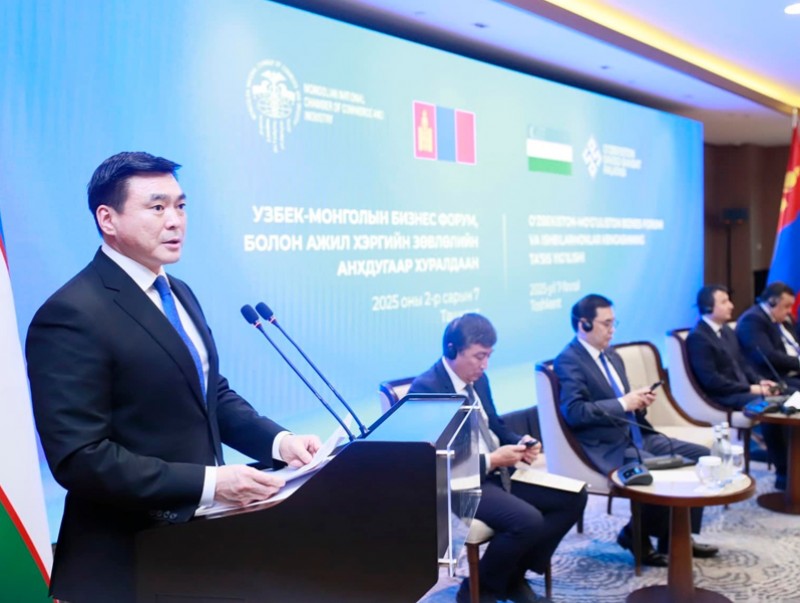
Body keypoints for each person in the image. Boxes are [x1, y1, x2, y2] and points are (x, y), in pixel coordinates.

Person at [26, 152, 322, 603]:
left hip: (199, 549)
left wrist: (280, 443)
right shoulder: (71, 314)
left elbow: (209, 395)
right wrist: (211, 483)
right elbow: (81, 458)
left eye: (181, 206)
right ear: (108, 219)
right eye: (157, 207)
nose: (175, 221)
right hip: (126, 563)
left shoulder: (178, 291)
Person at [409, 313, 586, 603]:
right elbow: (434, 463)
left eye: (489, 356)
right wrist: (491, 461)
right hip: (456, 485)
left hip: (494, 472)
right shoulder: (427, 389)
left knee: (573, 498)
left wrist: (520, 442)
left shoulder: (479, 380)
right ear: (452, 350)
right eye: (479, 356)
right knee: (526, 520)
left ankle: (512, 576)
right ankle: (480, 591)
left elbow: (496, 425)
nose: (485, 365)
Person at [553, 294, 717, 567]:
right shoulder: (569, 360)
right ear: (584, 324)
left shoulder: (612, 356)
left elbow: (623, 403)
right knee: (655, 471)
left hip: (637, 434)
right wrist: (623, 403)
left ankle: (675, 536)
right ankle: (636, 536)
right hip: (606, 444)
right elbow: (576, 411)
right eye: (606, 324)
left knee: (702, 456)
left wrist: (638, 402)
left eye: (614, 323)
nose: (612, 330)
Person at [686, 284, 787, 488]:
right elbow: (712, 381)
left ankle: (790, 466)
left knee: (785, 396)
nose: (731, 306)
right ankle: (784, 474)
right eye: (724, 302)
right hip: (722, 396)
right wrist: (751, 389)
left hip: (741, 389)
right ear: (708, 307)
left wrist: (759, 382)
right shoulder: (698, 337)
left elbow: (743, 364)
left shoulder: (726, 331)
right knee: (772, 406)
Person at [737, 282, 800, 392]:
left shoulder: (783, 319)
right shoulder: (752, 320)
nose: (790, 311)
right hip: (775, 377)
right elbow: (768, 356)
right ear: (772, 302)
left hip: (794, 371)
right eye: (786, 306)